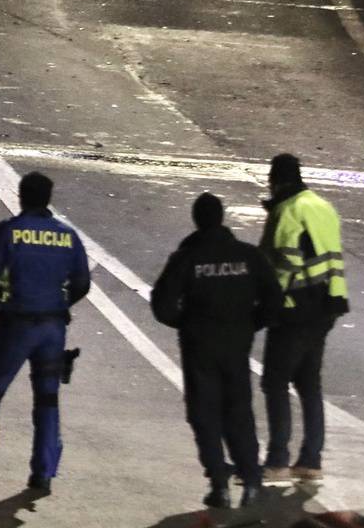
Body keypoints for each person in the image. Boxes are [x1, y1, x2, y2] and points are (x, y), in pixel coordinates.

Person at [0, 172, 90, 496]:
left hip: (16, 326)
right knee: (47, 399)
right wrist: (59, 303)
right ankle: (44, 473)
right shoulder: (67, 236)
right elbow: (82, 283)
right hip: (53, 328)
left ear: (21, 196)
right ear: (48, 198)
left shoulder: (9, 232)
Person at [151, 192, 283, 511]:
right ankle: (251, 482)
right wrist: (252, 324)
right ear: (222, 218)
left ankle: (219, 483)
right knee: (239, 411)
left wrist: (187, 323)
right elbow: (274, 298)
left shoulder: (187, 258)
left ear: (197, 220)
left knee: (204, 413)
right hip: (237, 344)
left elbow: (162, 304)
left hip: (200, 347)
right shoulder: (248, 256)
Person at [259, 154, 348, 483]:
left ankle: (277, 460)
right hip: (328, 304)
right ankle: (311, 459)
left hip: (293, 307)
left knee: (275, 382)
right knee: (309, 383)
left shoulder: (287, 211)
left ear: (276, 180)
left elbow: (280, 265)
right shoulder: (324, 206)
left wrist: (266, 306)